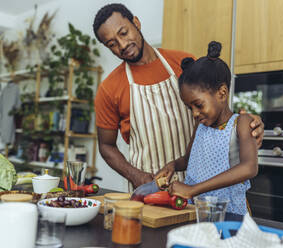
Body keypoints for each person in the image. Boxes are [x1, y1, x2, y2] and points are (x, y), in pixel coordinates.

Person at [92, 3, 264, 190]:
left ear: (136, 23)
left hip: (202, 182)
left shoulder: (184, 64)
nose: (122, 45)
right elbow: (106, 146)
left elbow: (218, 112)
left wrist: (246, 125)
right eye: (112, 44)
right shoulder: (108, 89)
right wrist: (136, 176)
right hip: (150, 187)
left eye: (124, 33)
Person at [155, 41, 258, 215]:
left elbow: (249, 167)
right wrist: (172, 165)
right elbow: (189, 161)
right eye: (190, 108)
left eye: (198, 105)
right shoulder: (201, 125)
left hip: (230, 216)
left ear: (222, 93)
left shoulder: (241, 123)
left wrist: (193, 189)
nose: (195, 113)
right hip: (197, 213)